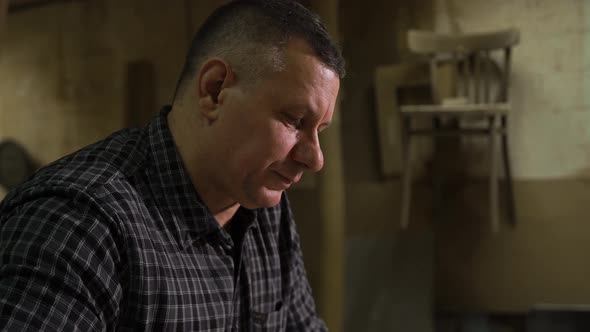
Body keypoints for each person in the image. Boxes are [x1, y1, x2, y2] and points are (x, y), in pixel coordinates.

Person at [0, 0, 345, 330]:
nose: (315, 158)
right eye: (295, 119)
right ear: (213, 91)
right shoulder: (78, 223)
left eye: (320, 131)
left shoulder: (268, 211)